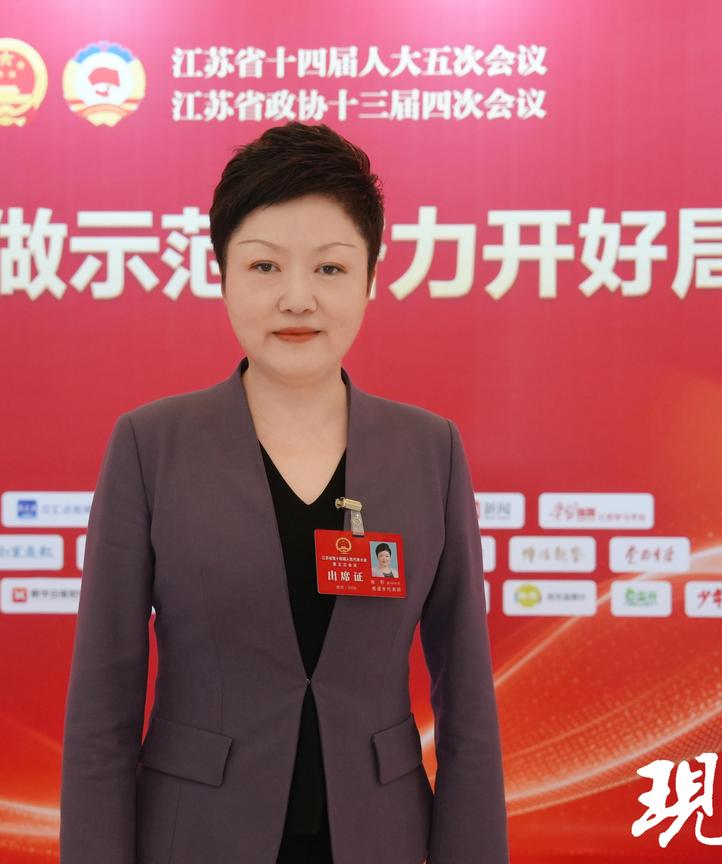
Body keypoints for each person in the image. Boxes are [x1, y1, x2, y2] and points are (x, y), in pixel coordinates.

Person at [59, 121, 509, 864]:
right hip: (197, 836)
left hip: (382, 836)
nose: (297, 299)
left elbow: (468, 706)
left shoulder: (431, 451)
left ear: (370, 278)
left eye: (330, 268)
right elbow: (102, 710)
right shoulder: (151, 445)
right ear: (223, 275)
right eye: (265, 266)